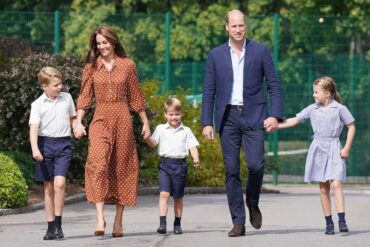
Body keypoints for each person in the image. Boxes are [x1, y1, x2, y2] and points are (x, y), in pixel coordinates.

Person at [201, 9, 284, 237]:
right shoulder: (215, 55)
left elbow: (274, 85)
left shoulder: (260, 51)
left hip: (255, 115)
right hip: (227, 118)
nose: (238, 30)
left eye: (241, 26)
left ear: (245, 27)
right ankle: (238, 221)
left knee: (256, 165)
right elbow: (209, 91)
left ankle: (253, 202)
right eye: (234, 26)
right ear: (226, 27)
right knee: (231, 170)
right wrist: (206, 122)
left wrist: (274, 115)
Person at [73, 25, 151, 237]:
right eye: (98, 44)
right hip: (100, 118)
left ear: (113, 42)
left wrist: (145, 122)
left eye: (105, 42)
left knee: (121, 167)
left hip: (123, 119)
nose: (102, 47)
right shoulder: (91, 67)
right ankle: (100, 218)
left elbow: (136, 96)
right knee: (97, 163)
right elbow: (85, 97)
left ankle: (118, 221)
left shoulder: (128, 65)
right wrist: (78, 121)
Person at [278, 76, 355, 235]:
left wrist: (346, 148)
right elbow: (294, 120)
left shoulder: (340, 108)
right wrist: (276, 126)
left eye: (316, 92)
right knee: (323, 187)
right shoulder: (312, 108)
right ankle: (328, 222)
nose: (314, 95)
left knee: (336, 184)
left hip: (334, 148)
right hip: (318, 149)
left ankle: (342, 219)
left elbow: (351, 127)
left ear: (327, 93)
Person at [29, 66, 77, 240]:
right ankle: (50, 227)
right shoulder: (37, 105)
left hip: (63, 144)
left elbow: (73, 117)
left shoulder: (67, 98)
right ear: (44, 86)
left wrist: (77, 127)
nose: (60, 88)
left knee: (59, 184)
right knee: (48, 188)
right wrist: (35, 149)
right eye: (56, 85)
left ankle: (58, 224)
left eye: (60, 84)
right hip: (45, 145)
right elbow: (33, 128)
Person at [145, 97, 200, 235]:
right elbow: (153, 143)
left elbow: (192, 146)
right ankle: (162, 223)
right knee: (164, 193)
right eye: (171, 114)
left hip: (180, 165)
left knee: (178, 196)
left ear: (181, 114)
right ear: (165, 114)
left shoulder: (186, 131)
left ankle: (177, 223)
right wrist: (147, 138)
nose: (174, 117)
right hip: (165, 164)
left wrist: (196, 158)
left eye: (176, 114)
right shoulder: (160, 129)